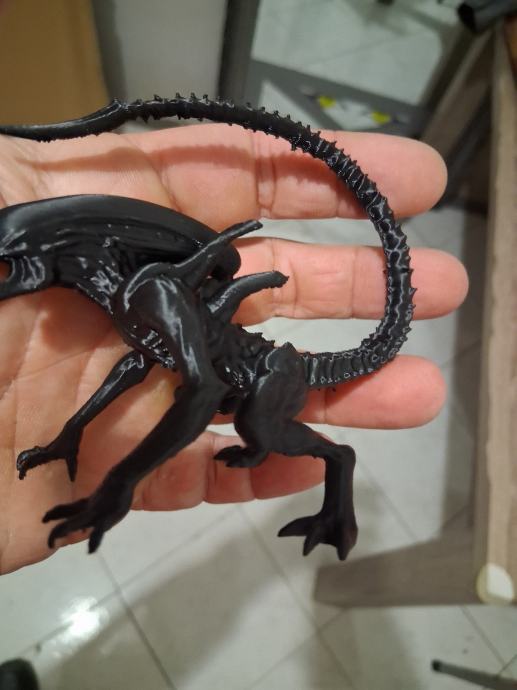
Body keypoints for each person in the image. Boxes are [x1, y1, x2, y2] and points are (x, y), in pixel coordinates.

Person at [0, 123, 467, 575]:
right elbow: (133, 367)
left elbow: (203, 389)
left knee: (257, 426)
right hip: (234, 364)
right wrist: (72, 431)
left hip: (268, 372)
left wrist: (121, 482)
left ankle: (336, 466)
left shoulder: (153, 293)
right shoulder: (126, 303)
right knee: (237, 418)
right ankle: (261, 448)